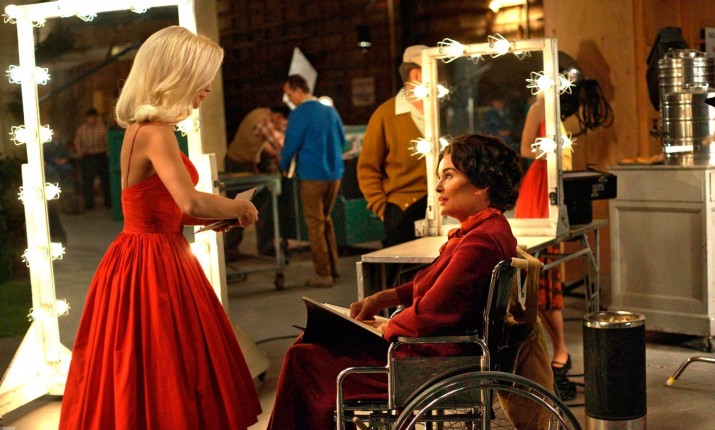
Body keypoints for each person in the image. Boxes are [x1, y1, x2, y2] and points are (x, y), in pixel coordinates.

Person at [268, 133, 553, 429]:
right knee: (311, 344)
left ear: (482, 184)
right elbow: (435, 286)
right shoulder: (483, 231)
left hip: (432, 363)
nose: (438, 186)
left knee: (304, 357)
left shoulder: (480, 243)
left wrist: (385, 326)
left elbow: (428, 315)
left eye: (449, 176)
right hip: (434, 353)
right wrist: (386, 298)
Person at [59, 26, 261, 429]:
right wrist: (240, 207)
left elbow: (169, 208)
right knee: (167, 362)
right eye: (202, 77)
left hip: (148, 253)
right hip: (153, 261)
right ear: (176, 75)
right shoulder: (157, 133)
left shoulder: (143, 129)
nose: (207, 88)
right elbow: (190, 201)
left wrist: (215, 215)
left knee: (154, 361)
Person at [514, 94, 577, 400]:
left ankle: (559, 348)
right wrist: (550, 151)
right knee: (539, 273)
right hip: (539, 189)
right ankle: (556, 348)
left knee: (550, 273)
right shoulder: (538, 107)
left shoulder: (555, 110)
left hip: (554, 186)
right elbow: (526, 148)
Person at [357, 45, 429, 248]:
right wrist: (383, 209)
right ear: (416, 74)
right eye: (433, 69)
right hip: (403, 209)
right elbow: (367, 169)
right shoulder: (386, 115)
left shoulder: (441, 110)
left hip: (444, 207)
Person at [280, 74, 345, 288]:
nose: (288, 99)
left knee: (315, 224)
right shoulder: (329, 110)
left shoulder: (300, 113)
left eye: (289, 94)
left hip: (312, 175)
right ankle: (333, 267)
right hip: (334, 174)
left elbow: (291, 144)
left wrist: (283, 165)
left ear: (298, 91)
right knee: (326, 220)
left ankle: (323, 274)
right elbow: (342, 140)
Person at [224, 105, 290, 258]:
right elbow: (280, 142)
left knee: (245, 203)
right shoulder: (263, 121)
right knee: (247, 203)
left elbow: (264, 141)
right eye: (284, 124)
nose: (283, 128)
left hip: (244, 164)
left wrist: (274, 154)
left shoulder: (261, 114)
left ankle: (233, 247)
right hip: (237, 165)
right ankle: (259, 247)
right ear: (278, 117)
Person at [74, 107, 111, 210]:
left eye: (94, 117)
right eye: (90, 117)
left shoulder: (102, 128)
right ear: (87, 118)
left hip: (101, 156)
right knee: (87, 181)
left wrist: (108, 154)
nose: (92, 119)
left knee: (105, 180)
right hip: (88, 158)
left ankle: (109, 202)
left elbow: (107, 142)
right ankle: (89, 204)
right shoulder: (81, 130)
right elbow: (77, 142)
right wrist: (79, 151)